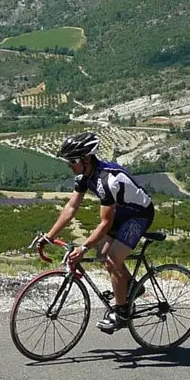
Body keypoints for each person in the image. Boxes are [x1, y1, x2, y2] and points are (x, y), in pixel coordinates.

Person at [43, 131, 154, 333]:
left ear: (86, 159)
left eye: (72, 161)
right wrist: (49, 236)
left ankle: (121, 314)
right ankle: (132, 287)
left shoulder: (106, 180)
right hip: (122, 212)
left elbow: (105, 223)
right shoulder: (84, 175)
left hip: (139, 215)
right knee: (102, 255)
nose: (69, 165)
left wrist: (83, 247)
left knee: (112, 259)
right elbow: (71, 207)